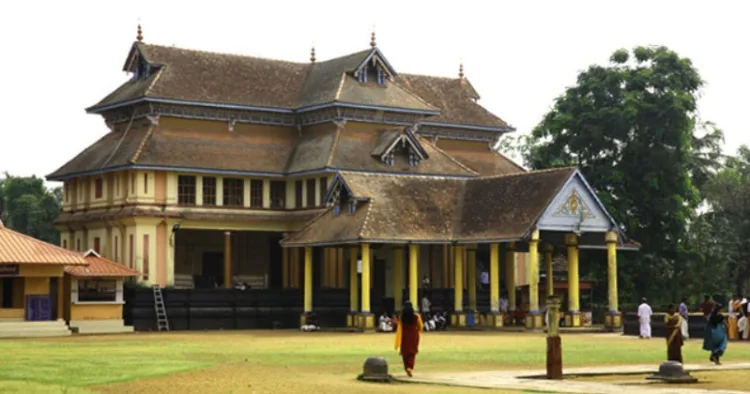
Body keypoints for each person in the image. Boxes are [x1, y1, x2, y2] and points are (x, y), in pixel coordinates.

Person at [394, 301, 423, 377]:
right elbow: (421, 326)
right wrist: (419, 330)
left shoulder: (402, 317)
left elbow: (400, 326)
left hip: (404, 335)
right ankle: (410, 367)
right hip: (414, 335)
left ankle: (406, 367)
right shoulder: (417, 316)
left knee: (405, 352)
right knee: (412, 352)